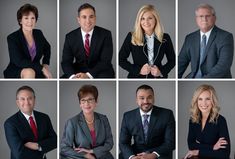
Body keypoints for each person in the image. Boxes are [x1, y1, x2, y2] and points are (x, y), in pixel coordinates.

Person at [178, 3, 234, 78]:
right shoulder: (190, 38)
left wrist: (202, 79)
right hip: (193, 77)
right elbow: (181, 63)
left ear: (214, 18)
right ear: (196, 19)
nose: (204, 19)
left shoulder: (225, 37)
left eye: (207, 16)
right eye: (201, 16)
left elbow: (224, 66)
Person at [119, 84, 175, 159]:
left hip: (158, 153)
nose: (146, 101)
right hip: (136, 153)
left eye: (149, 97)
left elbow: (170, 142)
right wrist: (132, 157)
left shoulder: (167, 114)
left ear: (154, 98)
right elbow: (123, 143)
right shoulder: (128, 116)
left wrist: (153, 154)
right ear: (136, 100)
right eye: (142, 98)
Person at [119, 5, 175, 78]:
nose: (146, 22)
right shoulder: (132, 36)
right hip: (137, 78)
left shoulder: (165, 38)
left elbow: (173, 60)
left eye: (150, 18)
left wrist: (161, 71)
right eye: (142, 18)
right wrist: (138, 70)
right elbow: (120, 59)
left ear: (155, 19)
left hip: (157, 78)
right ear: (139, 20)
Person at [61, 3, 115, 79]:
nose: (88, 21)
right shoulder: (70, 37)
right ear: (78, 20)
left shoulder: (105, 34)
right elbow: (66, 62)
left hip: (101, 70)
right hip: (78, 70)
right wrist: (73, 77)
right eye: (84, 17)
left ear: (95, 18)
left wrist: (88, 75)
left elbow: (105, 61)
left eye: (91, 17)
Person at [60, 85, 114, 159]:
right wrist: (85, 155)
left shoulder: (103, 119)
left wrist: (92, 151)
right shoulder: (72, 122)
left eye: (90, 99)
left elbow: (109, 143)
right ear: (80, 104)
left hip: (103, 157)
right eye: (83, 100)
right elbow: (64, 147)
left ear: (96, 101)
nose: (86, 103)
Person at [4, 86, 57, 159]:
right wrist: (42, 151)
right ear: (17, 102)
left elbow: (55, 141)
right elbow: (19, 154)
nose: (26, 102)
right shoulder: (10, 123)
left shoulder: (44, 118)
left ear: (34, 100)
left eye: (30, 98)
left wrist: (38, 146)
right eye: (22, 99)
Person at [3, 4, 52, 78]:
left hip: (36, 69)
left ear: (36, 20)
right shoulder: (12, 37)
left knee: (49, 77)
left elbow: (47, 47)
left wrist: (46, 64)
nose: (30, 21)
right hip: (17, 69)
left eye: (33, 18)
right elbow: (19, 61)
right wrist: (42, 68)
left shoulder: (38, 33)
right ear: (20, 21)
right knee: (30, 72)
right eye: (26, 18)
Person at [184, 84, 230, 159]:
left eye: (207, 99)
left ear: (213, 101)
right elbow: (191, 145)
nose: (204, 103)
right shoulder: (193, 120)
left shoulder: (220, 120)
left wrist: (198, 151)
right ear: (196, 101)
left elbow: (224, 154)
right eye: (200, 99)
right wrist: (213, 147)